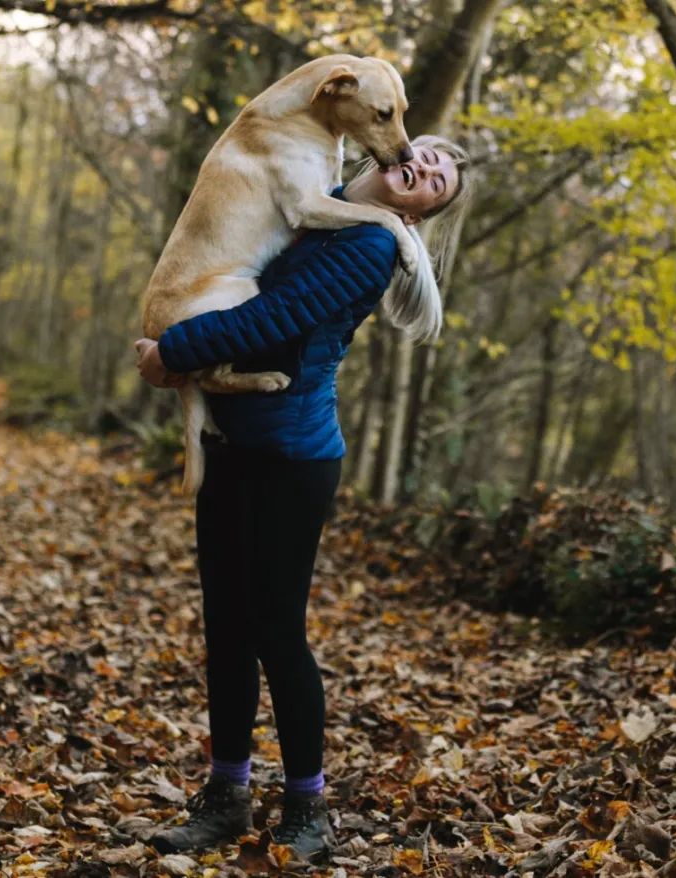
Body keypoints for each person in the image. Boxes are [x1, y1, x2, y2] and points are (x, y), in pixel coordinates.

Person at [135, 134, 471, 861]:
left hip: (292, 459)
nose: (423, 166)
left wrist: (173, 354)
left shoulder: (370, 249)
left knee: (274, 631)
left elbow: (273, 322)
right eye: (428, 152)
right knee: (224, 627)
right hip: (230, 442)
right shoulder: (313, 208)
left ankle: (307, 807)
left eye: (435, 181)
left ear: (419, 213)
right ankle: (226, 797)